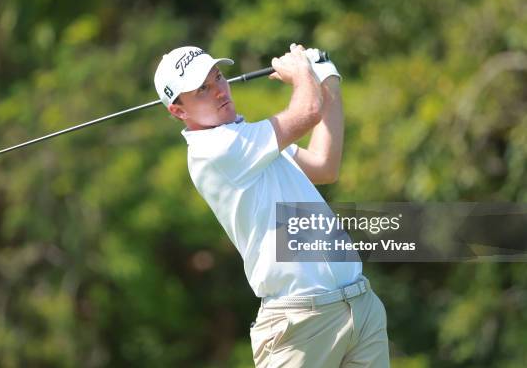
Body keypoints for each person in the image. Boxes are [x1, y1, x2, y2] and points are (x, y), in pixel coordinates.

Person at [154, 44, 390, 367]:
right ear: (179, 111)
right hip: (299, 324)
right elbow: (306, 112)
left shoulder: (248, 138)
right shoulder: (214, 152)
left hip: (359, 306)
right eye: (202, 90)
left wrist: (328, 79)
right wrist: (302, 72)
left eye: (218, 77)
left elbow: (324, 165)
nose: (220, 91)